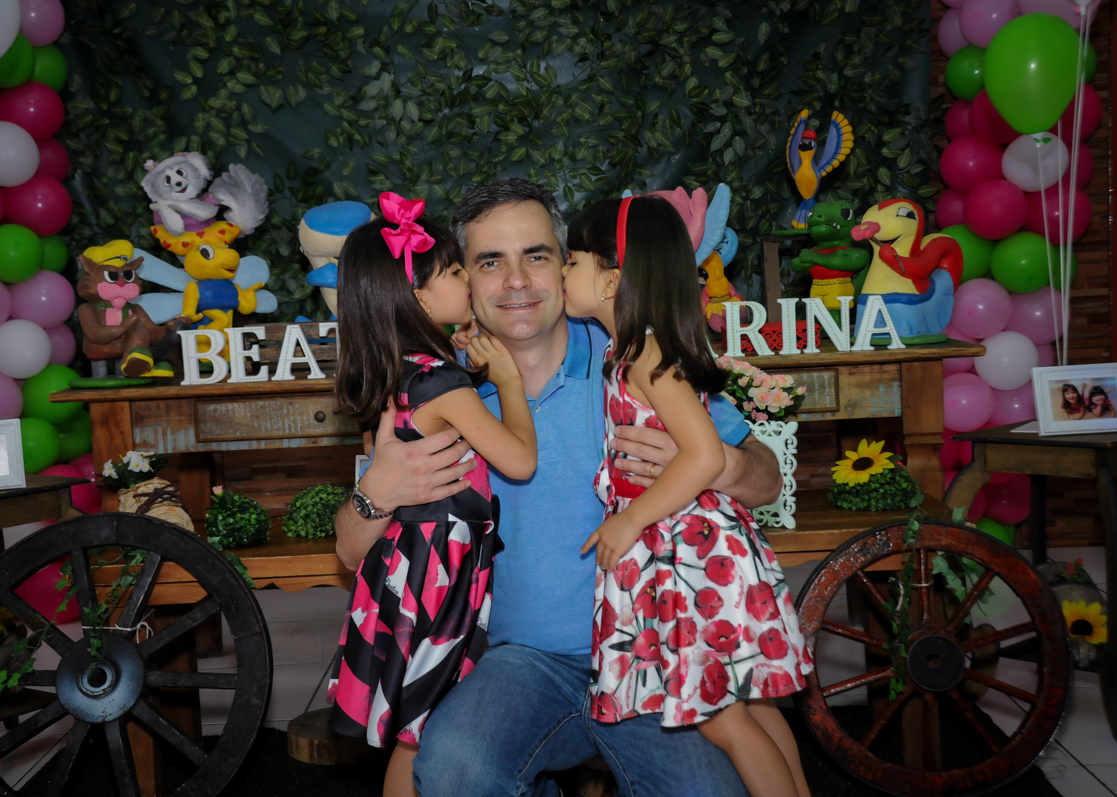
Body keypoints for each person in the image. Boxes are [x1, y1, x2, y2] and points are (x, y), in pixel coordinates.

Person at [335, 179, 783, 796]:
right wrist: (375, 492)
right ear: (461, 279)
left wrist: (716, 462)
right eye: (491, 262)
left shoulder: (635, 361)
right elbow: (354, 552)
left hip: (649, 654)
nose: (516, 281)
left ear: (575, 267)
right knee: (455, 767)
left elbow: (766, 476)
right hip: (524, 667)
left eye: (538, 256)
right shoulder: (446, 394)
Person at [564, 195, 812, 797]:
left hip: (690, 557)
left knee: (722, 718)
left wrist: (627, 524)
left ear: (612, 278)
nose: (563, 274)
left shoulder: (645, 355)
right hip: (694, 553)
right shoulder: (637, 352)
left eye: (571, 261)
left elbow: (703, 455)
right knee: (752, 710)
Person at [325, 192, 538, 797]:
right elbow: (519, 461)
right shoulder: (444, 383)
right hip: (438, 577)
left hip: (404, 566)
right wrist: (509, 382)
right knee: (421, 731)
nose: (467, 279)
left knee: (415, 728)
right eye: (451, 271)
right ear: (418, 296)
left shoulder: (405, 370)